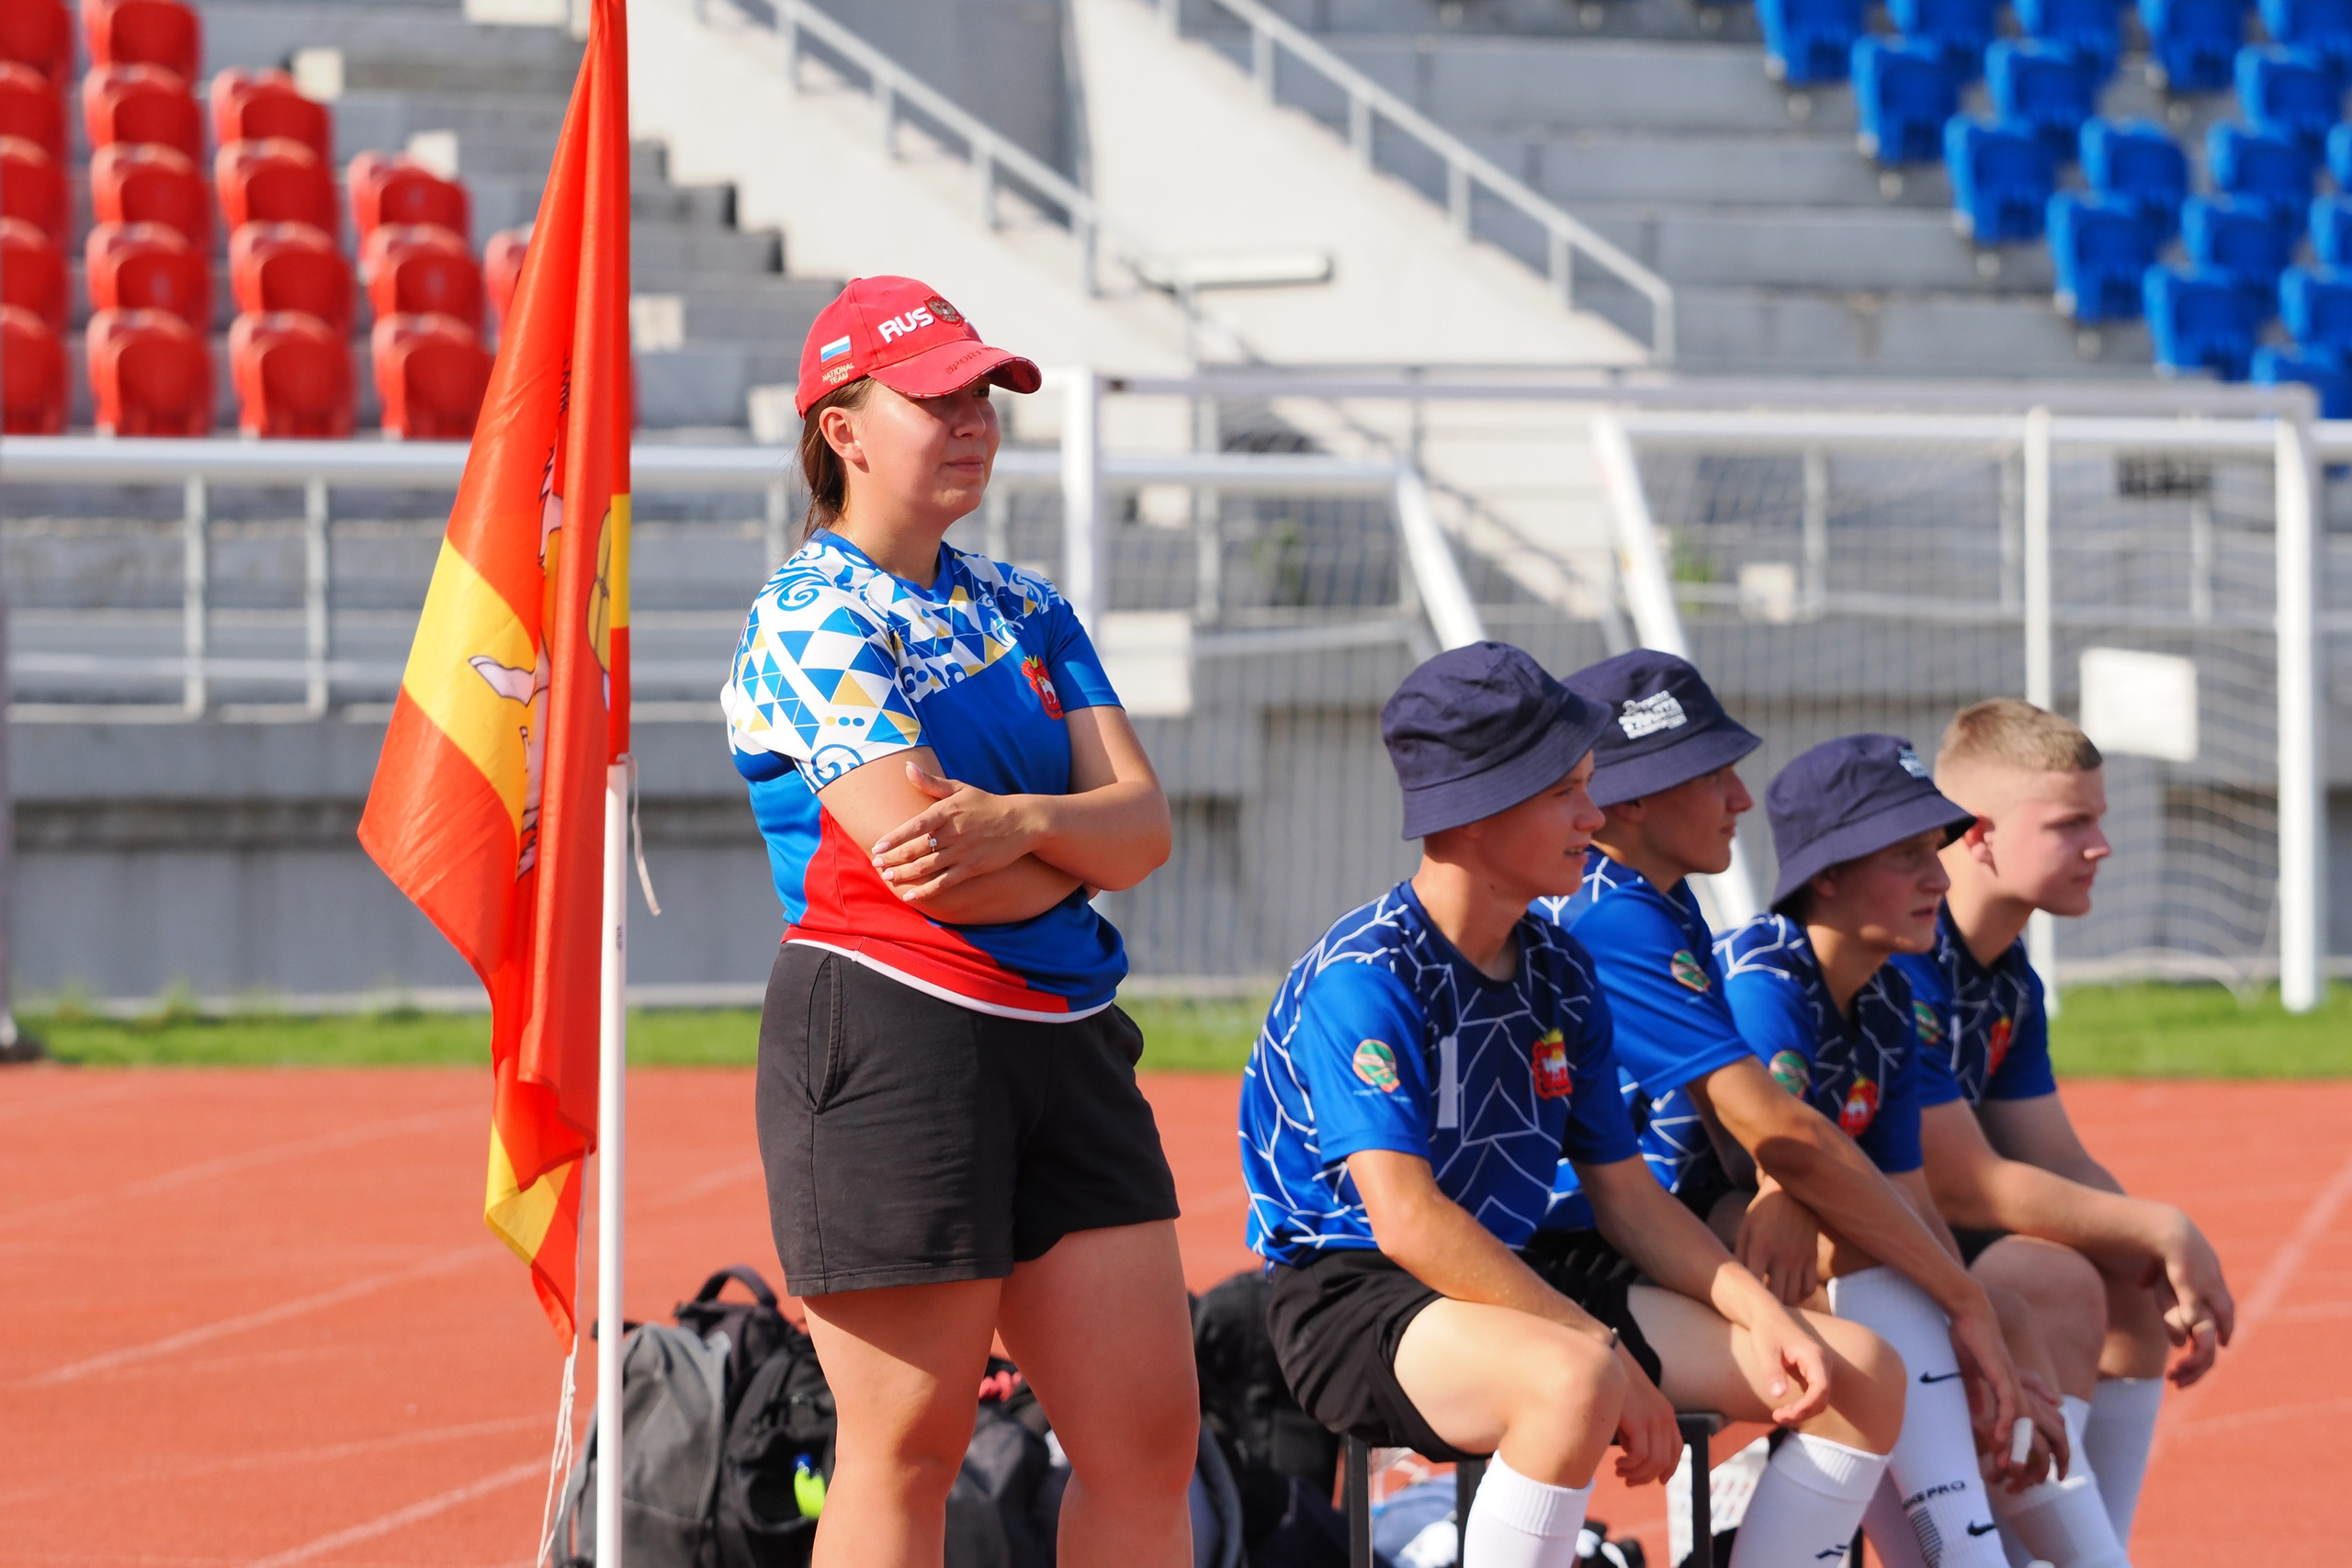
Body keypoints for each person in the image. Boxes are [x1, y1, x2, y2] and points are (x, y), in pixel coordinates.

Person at [1239, 643, 1907, 1568]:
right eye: (1566, 794)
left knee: (1858, 1373)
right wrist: (1598, 1344)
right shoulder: (1370, 974)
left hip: (1525, 1280)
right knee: (1573, 1379)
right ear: (1474, 809)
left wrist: (1762, 1314)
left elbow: (1627, 1197)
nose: (1593, 819)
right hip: (1356, 1297)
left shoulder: (1558, 968)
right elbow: (1404, 1219)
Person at [722, 276, 1196, 1568]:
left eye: (981, 393)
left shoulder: (1029, 604)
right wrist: (1066, 834)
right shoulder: (812, 613)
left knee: (1151, 1444)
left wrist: (1022, 823)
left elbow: (1145, 827)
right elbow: (933, 868)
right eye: (936, 395)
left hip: (1071, 1036)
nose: (973, 417)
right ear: (844, 427)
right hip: (896, 1037)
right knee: (910, 1448)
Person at [1528, 653, 2045, 1568]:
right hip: (1564, 1247)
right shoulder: (1624, 919)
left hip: (1643, 1223)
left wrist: (1786, 1186)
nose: (1740, 798)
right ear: (1635, 801)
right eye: (1713, 775)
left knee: (1891, 1292)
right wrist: (1964, 1299)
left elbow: (1796, 1154)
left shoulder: (1662, 905)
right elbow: (1777, 1128)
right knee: (1861, 1357)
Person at [1892, 699, 2236, 1551]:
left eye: (2100, 819)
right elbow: (1965, 1179)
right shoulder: (1906, 957)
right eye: (2070, 823)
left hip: (1934, 1235)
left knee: (2122, 1278)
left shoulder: (2007, 974)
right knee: (2049, 1278)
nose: (2100, 847)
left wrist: (2151, 1251)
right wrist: (2163, 1225)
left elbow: (2053, 1154)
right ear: (1976, 833)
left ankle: (2092, 1545)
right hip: (1856, 1246)